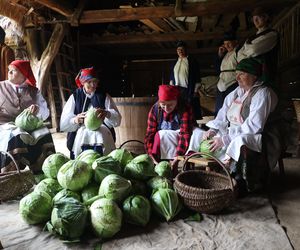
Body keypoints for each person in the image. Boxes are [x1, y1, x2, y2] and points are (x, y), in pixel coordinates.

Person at [201, 57, 279, 192]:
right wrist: (213, 130)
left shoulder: (263, 93)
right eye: (236, 74)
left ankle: (240, 180)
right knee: (200, 135)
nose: (237, 78)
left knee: (239, 140)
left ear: (254, 75)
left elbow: (255, 125)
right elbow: (222, 114)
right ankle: (219, 174)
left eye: (242, 74)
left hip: (258, 135)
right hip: (235, 131)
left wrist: (226, 138)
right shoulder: (237, 92)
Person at [0, 60, 55, 173]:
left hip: (29, 127)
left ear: (23, 74)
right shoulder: (1, 87)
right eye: (9, 70)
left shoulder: (33, 91)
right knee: (15, 135)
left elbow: (46, 112)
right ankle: (11, 174)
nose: (9, 72)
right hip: (5, 126)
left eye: (14, 70)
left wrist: (37, 111)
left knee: (44, 133)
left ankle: (42, 171)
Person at [60, 67, 121, 159]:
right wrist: (75, 120)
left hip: (101, 130)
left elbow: (117, 118)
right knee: (82, 137)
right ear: (83, 82)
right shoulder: (75, 96)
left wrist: (107, 113)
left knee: (100, 139)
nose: (93, 85)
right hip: (80, 130)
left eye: (95, 81)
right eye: (89, 82)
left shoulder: (104, 95)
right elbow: (64, 121)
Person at [144, 84, 203, 169]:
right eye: (163, 104)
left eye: (170, 104)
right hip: (168, 139)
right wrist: (150, 154)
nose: (166, 108)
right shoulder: (155, 109)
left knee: (198, 133)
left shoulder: (184, 108)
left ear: (176, 100)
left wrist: (178, 156)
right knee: (161, 135)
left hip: (186, 138)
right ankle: (161, 165)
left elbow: (185, 133)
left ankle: (182, 166)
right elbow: (150, 133)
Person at [237, 7, 279, 88]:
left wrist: (246, 52)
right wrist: (248, 51)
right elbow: (238, 55)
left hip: (264, 74)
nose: (255, 21)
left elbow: (254, 50)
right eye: (253, 19)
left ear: (266, 17)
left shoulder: (272, 34)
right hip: (249, 76)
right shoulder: (250, 38)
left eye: (258, 18)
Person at [169, 41, 202, 119]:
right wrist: (171, 88)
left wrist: (195, 91)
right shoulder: (175, 62)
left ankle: (191, 126)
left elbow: (197, 77)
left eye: (182, 49)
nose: (180, 51)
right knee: (178, 109)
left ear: (186, 50)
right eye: (178, 50)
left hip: (188, 90)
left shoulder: (192, 61)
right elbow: (171, 76)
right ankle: (180, 125)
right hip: (177, 89)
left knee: (190, 109)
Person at [215, 31, 240, 114]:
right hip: (221, 84)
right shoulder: (225, 55)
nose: (227, 46)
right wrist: (220, 55)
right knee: (220, 108)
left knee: (231, 108)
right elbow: (218, 70)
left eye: (229, 43)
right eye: (225, 44)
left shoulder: (238, 52)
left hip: (233, 83)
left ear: (235, 42)